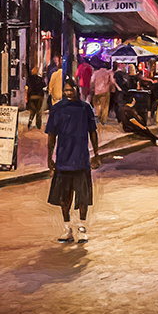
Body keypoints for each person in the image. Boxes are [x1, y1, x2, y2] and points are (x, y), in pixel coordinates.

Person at [46, 78, 101, 242]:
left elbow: (93, 132)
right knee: (65, 199)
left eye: (71, 90)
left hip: (81, 159)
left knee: (83, 198)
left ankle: (82, 228)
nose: (69, 93)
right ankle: (68, 229)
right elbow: (51, 135)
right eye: (66, 90)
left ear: (78, 90)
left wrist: (96, 154)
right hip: (63, 160)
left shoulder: (85, 109)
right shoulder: (57, 110)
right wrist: (49, 157)